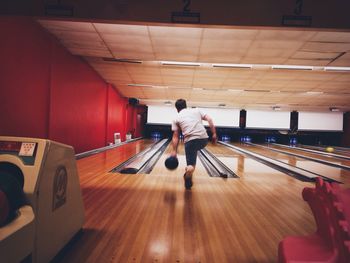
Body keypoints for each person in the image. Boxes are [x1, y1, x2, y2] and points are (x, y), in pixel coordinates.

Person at [171, 99, 217, 190]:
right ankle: (189, 171)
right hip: (204, 140)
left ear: (177, 109)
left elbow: (175, 136)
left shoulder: (176, 118)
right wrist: (214, 133)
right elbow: (210, 119)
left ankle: (189, 171)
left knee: (191, 165)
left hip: (190, 141)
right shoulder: (196, 110)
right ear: (186, 106)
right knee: (195, 148)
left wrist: (174, 151)